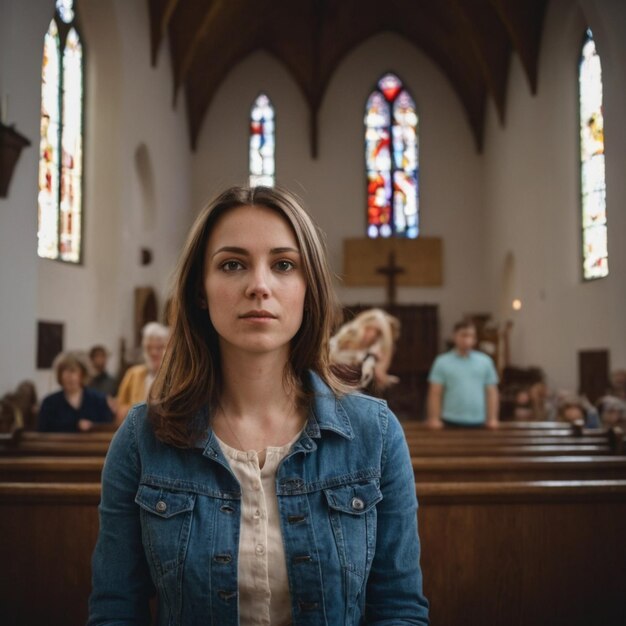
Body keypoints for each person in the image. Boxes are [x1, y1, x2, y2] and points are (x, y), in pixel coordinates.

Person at [88, 186, 429, 625]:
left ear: (309, 288)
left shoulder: (375, 434)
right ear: (200, 290)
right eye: (233, 265)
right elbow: (116, 609)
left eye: (284, 265)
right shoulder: (142, 438)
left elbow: (399, 609)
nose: (259, 286)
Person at [426, 320, 499, 429]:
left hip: (479, 421)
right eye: (464, 335)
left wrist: (492, 418)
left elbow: (491, 392)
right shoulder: (442, 362)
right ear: (455, 336)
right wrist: (434, 418)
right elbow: (435, 392)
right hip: (450, 420)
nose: (467, 339)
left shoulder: (485, 361)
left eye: (471, 336)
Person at [38, 351, 114, 432]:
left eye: (73, 371)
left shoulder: (99, 400)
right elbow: (42, 431)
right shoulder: (49, 403)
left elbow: (107, 428)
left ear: (82, 374)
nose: (70, 377)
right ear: (60, 376)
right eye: (65, 372)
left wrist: (93, 426)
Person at [329, 307, 400, 391]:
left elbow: (379, 374)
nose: (372, 334)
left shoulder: (373, 353)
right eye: (370, 329)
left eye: (378, 333)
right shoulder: (345, 337)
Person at [115, 322, 169, 423]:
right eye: (149, 348)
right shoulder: (133, 374)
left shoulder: (175, 376)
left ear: (168, 349)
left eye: (159, 348)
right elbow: (120, 409)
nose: (153, 353)